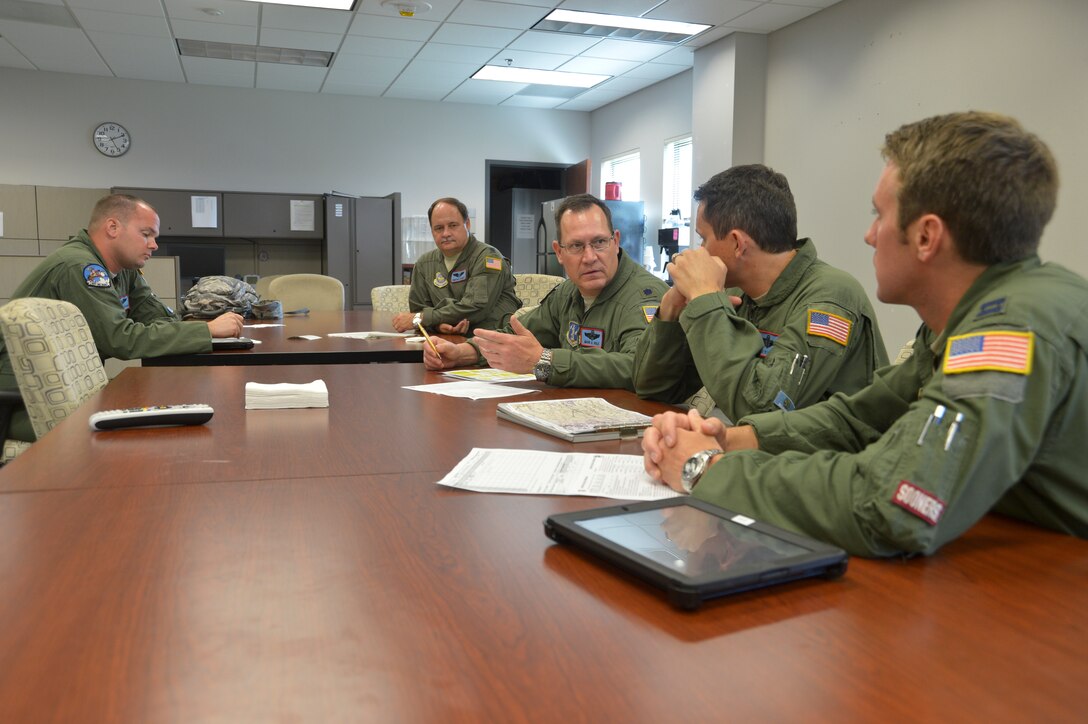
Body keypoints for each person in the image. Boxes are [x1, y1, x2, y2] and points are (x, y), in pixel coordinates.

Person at [642, 111, 1088, 557]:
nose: (869, 235)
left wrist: (705, 469)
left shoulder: (1009, 333)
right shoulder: (980, 312)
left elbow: (892, 505)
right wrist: (733, 439)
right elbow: (860, 417)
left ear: (927, 236)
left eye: (880, 215)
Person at [633, 164, 887, 422]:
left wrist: (707, 303)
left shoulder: (829, 298)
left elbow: (764, 412)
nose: (699, 251)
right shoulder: (734, 293)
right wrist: (671, 311)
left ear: (737, 244)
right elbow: (654, 388)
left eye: (703, 239)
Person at [0, 194, 244, 442]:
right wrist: (207, 331)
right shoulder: (81, 267)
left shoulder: (122, 269)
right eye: (146, 234)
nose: (154, 245)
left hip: (70, 391)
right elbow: (121, 339)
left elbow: (158, 318)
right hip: (27, 403)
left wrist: (194, 329)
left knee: (177, 406)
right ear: (113, 228)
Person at [423, 194, 668, 390]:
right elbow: (514, 336)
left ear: (615, 241)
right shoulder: (568, 292)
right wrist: (460, 353)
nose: (590, 257)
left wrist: (545, 362)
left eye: (599, 242)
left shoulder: (644, 296)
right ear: (559, 252)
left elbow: (639, 367)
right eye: (576, 246)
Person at [392, 197, 521, 335]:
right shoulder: (424, 264)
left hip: (491, 343)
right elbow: (418, 309)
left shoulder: (488, 258)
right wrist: (438, 326)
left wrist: (422, 318)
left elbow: (475, 307)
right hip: (441, 340)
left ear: (468, 224)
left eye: (453, 225)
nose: (446, 233)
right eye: (439, 228)